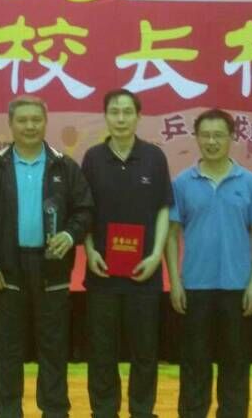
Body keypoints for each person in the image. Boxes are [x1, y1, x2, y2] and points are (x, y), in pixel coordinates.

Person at [0, 95, 93, 418]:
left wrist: (70, 235)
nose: (29, 126)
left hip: (52, 269)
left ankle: (55, 411)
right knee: (7, 350)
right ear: (10, 124)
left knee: (54, 348)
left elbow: (84, 210)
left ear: (45, 122)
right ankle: (7, 411)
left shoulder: (64, 166)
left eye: (36, 120)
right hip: (7, 269)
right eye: (22, 120)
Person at [165, 108, 252, 418]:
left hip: (238, 288)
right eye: (206, 135)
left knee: (235, 364)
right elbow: (172, 234)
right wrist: (175, 282)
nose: (212, 142)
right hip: (195, 287)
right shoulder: (183, 182)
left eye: (219, 135)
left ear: (231, 137)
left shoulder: (249, 182)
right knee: (194, 364)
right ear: (196, 138)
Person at [81, 89, 172, 418]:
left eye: (127, 112)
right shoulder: (93, 158)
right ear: (106, 117)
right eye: (114, 112)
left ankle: (142, 410)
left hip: (144, 272)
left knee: (144, 351)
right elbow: (83, 210)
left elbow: (163, 209)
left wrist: (156, 255)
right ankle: (103, 411)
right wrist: (90, 250)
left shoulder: (154, 157)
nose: (121, 118)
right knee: (102, 351)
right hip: (102, 272)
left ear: (138, 116)